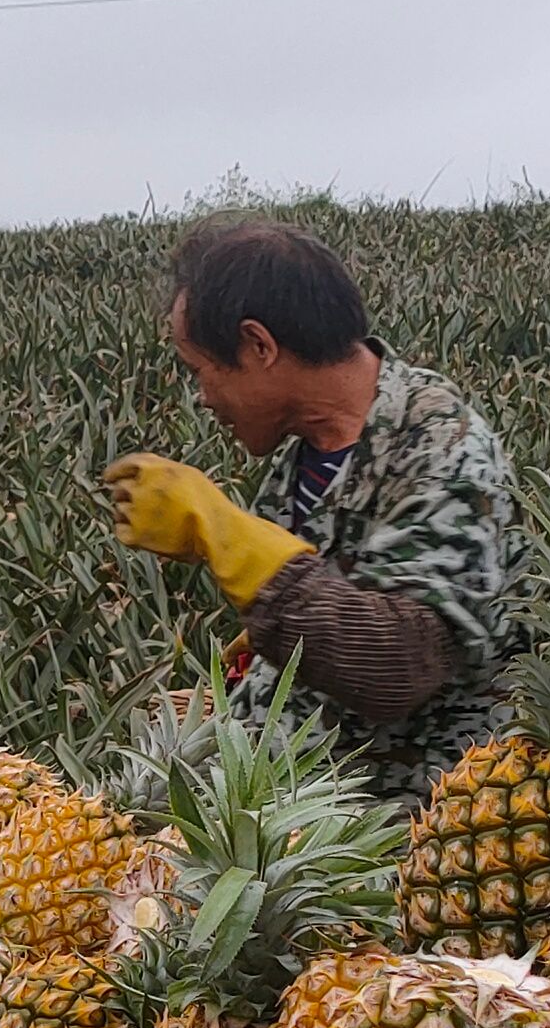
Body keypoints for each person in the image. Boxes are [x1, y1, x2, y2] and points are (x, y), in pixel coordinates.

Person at [103, 219, 519, 797]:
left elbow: (401, 665)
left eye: (200, 370)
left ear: (259, 346)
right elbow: (325, 614)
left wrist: (233, 542)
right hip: (289, 816)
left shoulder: (442, 444)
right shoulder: (303, 456)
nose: (201, 396)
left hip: (398, 837)